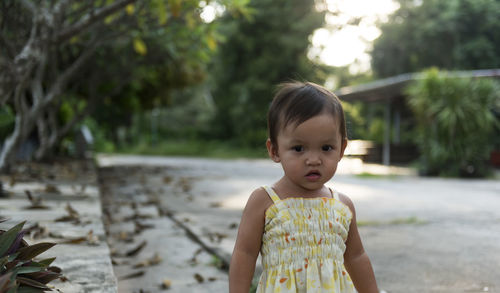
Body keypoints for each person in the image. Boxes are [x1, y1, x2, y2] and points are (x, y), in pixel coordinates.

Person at [229, 81, 379, 292]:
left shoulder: (342, 206)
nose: (314, 159)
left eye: (326, 148)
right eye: (299, 148)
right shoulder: (265, 201)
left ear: (342, 149)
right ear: (275, 150)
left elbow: (356, 257)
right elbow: (244, 254)